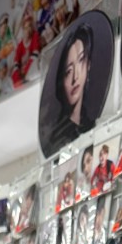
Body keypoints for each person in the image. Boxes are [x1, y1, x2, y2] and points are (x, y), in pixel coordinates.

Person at [47, 23, 96, 155]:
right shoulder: (58, 140)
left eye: (81, 60)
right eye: (68, 71)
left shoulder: (92, 122)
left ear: (88, 64)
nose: (75, 77)